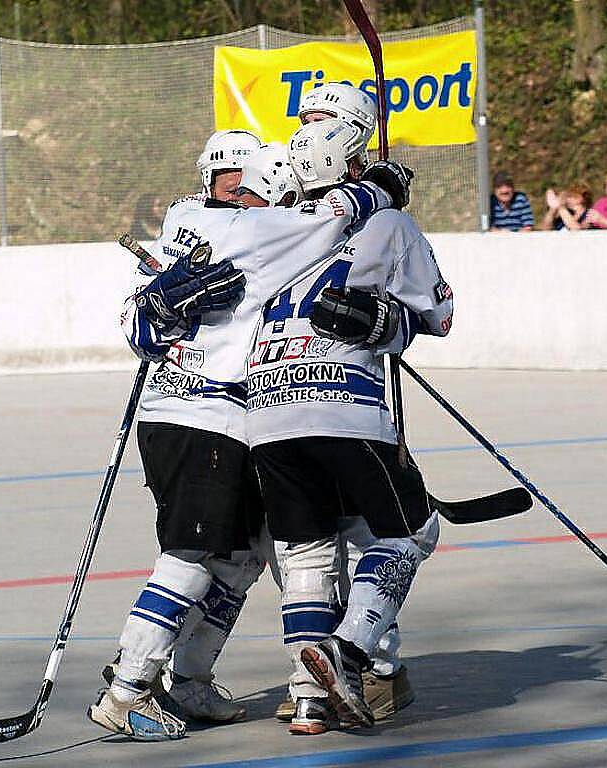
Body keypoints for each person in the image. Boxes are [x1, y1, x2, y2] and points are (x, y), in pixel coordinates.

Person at [88, 126, 398, 741]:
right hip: (202, 415)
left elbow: (133, 320)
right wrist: (380, 188)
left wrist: (150, 312)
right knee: (192, 554)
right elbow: (331, 214)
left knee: (242, 555)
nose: (267, 199)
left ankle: (191, 682)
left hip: (225, 417)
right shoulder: (255, 229)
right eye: (252, 185)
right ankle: (128, 689)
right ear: (234, 182)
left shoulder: (185, 220)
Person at [248, 121, 453, 735]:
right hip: (344, 404)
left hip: (264, 411)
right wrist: (389, 322)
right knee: (409, 531)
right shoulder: (385, 223)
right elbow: (437, 315)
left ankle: (310, 697)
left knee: (308, 551)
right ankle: (354, 651)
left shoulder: (269, 226)